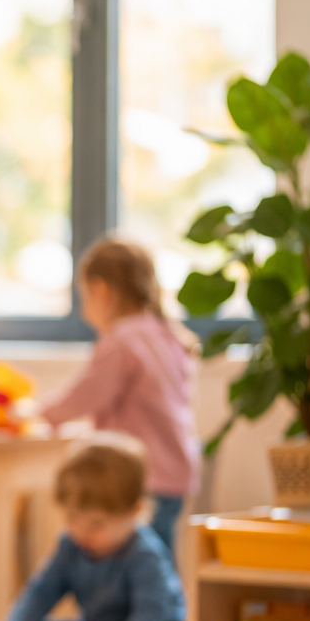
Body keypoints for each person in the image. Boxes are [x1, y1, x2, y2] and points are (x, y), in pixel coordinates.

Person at [41, 237, 201, 561]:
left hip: (139, 476)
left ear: (101, 290)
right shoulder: (166, 333)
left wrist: (40, 413)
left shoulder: (122, 339)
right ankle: (166, 610)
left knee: (136, 563)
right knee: (159, 561)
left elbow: (85, 395)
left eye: (84, 296)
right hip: (176, 471)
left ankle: (148, 612)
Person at [0, 435, 185, 621]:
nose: (81, 532)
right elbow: (42, 591)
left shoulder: (144, 555)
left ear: (135, 511)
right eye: (72, 518)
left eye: (96, 524)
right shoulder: (70, 544)